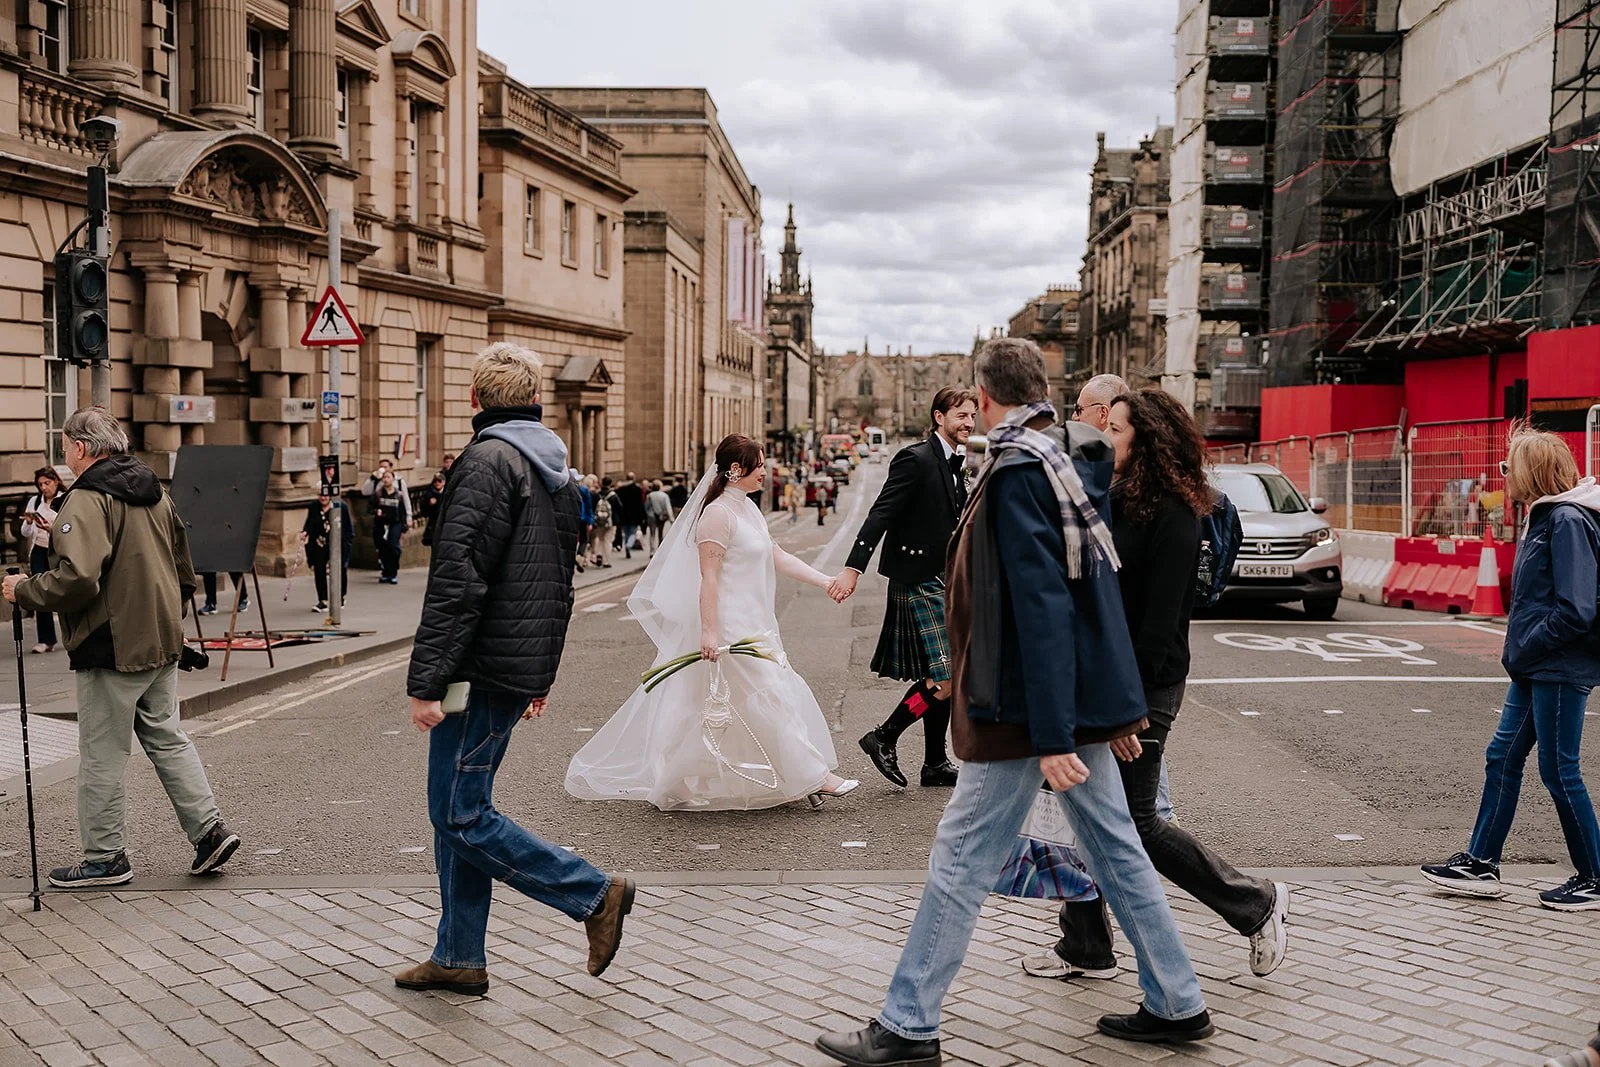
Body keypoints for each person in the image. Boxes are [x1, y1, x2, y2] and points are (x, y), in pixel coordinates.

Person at [815, 339, 1212, 1067]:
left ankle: (907, 1023)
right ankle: (1177, 998)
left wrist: (1058, 730)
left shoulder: (1020, 470)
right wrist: (1114, 708)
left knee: (960, 855)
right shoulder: (1060, 460)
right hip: (1064, 704)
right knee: (1117, 848)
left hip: (1025, 709)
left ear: (987, 395)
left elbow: (1044, 606)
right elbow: (1096, 591)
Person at [1025, 389, 1289, 985]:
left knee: (1135, 820)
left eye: (1116, 429)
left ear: (1145, 440)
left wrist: (1127, 712)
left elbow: (1158, 627)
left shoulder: (1174, 512)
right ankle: (1087, 942)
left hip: (1146, 689)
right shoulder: (1119, 498)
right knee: (1084, 810)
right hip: (1106, 686)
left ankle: (1255, 904)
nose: (1105, 437)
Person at [398, 342, 635, 996]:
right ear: (534, 399)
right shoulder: (553, 468)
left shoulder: (485, 461)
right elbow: (556, 583)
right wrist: (538, 674)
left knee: (461, 814)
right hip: (504, 665)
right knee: (460, 807)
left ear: (475, 399)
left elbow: (457, 583)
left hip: (474, 668)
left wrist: (426, 680)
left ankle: (593, 893)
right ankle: (458, 954)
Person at [2, 408, 241, 888]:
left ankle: (106, 856)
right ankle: (209, 831)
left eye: (67, 445)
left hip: (109, 644)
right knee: (167, 737)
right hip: (160, 637)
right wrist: (167, 617)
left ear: (83, 448)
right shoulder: (156, 492)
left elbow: (78, 578)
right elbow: (184, 569)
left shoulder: (87, 499)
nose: (64, 453)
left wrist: (23, 589)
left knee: (102, 754)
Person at [566, 434, 860, 811]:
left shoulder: (748, 509)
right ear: (737, 469)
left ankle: (678, 777)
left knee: (720, 704)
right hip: (730, 625)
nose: (766, 472)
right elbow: (709, 578)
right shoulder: (717, 515)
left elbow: (777, 556)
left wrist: (825, 582)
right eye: (760, 464)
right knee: (770, 694)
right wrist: (709, 632)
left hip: (755, 619)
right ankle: (814, 775)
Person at [1422, 428, 1600, 910]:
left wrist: (1528, 645)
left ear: (1533, 473)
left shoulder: (1566, 519)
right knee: (1502, 756)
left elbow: (1577, 609)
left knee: (1559, 770)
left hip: (1557, 666)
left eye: (1510, 466)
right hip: (1537, 664)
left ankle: (1594, 877)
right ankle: (1480, 863)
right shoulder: (1546, 517)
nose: (1504, 474)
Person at [831, 387, 978, 791]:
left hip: (946, 577)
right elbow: (882, 511)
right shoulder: (915, 459)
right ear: (938, 417)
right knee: (947, 675)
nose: (968, 423)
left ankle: (934, 764)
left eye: (972, 417)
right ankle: (884, 736)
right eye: (960, 416)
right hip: (918, 576)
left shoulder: (961, 462)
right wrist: (852, 568)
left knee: (940, 672)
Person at [21, 466, 64, 653]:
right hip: (39, 551)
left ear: (56, 481)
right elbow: (25, 532)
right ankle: (46, 640)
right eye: (40, 485)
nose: (44, 488)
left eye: (47, 483)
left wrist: (50, 529)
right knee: (40, 593)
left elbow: (69, 529)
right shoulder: (35, 501)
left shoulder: (65, 499)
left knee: (63, 594)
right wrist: (30, 522)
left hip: (58, 552)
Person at [300, 491, 353, 612]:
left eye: (325, 495)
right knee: (319, 570)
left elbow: (348, 528)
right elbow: (309, 522)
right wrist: (305, 532)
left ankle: (340, 597)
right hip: (320, 542)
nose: (323, 497)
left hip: (337, 543)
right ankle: (322, 600)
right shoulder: (314, 506)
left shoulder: (340, 506)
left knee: (340, 569)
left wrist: (348, 542)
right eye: (320, 495)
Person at [372, 470, 408, 584]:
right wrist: (375, 511)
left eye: (388, 477)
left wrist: (404, 525)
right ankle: (385, 572)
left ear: (393, 479)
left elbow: (403, 511)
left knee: (393, 547)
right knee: (383, 549)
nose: (386, 479)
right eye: (384, 477)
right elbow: (369, 508)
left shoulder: (399, 495)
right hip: (381, 524)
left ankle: (393, 572)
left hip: (394, 524)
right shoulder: (378, 494)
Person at [615, 471, 646, 557]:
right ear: (634, 479)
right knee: (632, 532)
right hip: (634, 516)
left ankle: (627, 547)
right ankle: (628, 545)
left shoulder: (621, 490)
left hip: (624, 515)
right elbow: (640, 504)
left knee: (626, 532)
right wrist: (642, 517)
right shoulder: (637, 490)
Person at [591, 475, 617, 568]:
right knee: (607, 540)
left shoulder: (597, 494)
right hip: (610, 522)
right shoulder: (613, 495)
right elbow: (619, 508)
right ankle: (606, 561)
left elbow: (593, 507)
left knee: (600, 539)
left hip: (598, 521)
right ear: (610, 484)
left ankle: (598, 555)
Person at [645, 479, 674, 552]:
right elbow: (668, 507)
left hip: (652, 516)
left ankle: (652, 550)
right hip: (662, 516)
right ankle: (660, 549)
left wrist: (648, 515)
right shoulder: (664, 496)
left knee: (652, 533)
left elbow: (646, 507)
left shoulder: (649, 496)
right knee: (660, 533)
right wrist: (671, 519)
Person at [419, 473, 446, 548]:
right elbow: (423, 512)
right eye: (435, 481)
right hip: (434, 525)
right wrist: (429, 504)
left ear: (444, 482)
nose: (437, 483)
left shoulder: (447, 494)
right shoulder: (429, 494)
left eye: (439, 481)